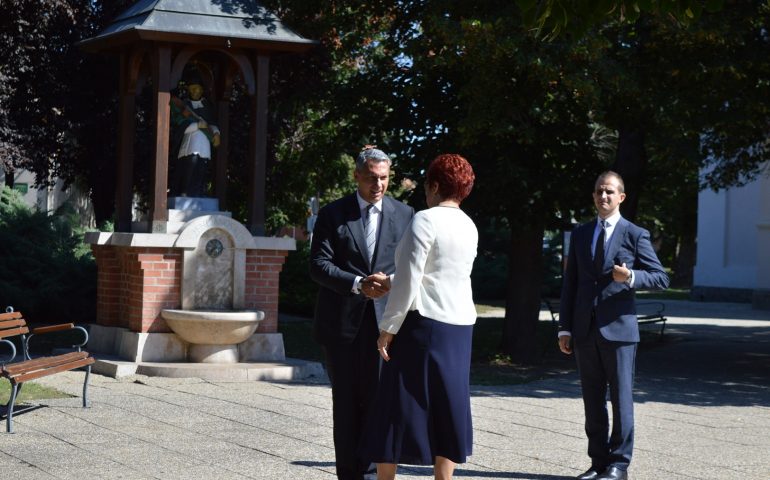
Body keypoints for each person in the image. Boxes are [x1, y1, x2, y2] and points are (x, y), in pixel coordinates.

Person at [359, 154, 478, 480]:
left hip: (423, 325)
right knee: (449, 403)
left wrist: (387, 328)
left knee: (395, 406)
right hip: (459, 327)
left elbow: (413, 278)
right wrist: (393, 281)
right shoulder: (469, 225)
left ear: (435, 185)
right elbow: (438, 274)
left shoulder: (425, 219)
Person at [310, 146, 415, 480]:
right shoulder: (332, 214)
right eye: (371, 178)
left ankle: (371, 473)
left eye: (384, 178)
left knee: (378, 406)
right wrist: (357, 283)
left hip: (387, 327)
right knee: (346, 407)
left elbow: (413, 266)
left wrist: (389, 283)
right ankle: (349, 475)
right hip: (342, 326)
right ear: (356, 175)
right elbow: (318, 265)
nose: (378, 185)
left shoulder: (406, 215)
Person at [558, 171, 669, 480]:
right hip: (584, 331)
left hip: (619, 331)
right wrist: (565, 328)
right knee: (592, 401)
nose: (602, 196)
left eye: (609, 191)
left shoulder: (635, 234)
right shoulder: (581, 233)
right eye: (598, 191)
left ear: (621, 197)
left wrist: (631, 276)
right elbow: (572, 284)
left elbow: (661, 277)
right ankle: (597, 462)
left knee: (621, 401)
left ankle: (619, 464)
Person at [169, 73, 220, 197]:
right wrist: (197, 126)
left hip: (204, 142)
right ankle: (184, 191)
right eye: (192, 89)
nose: (195, 91)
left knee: (202, 166)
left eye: (197, 88)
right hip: (191, 141)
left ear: (202, 89)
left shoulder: (207, 106)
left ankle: (198, 192)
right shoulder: (185, 105)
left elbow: (212, 122)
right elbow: (180, 125)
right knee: (191, 162)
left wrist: (217, 133)